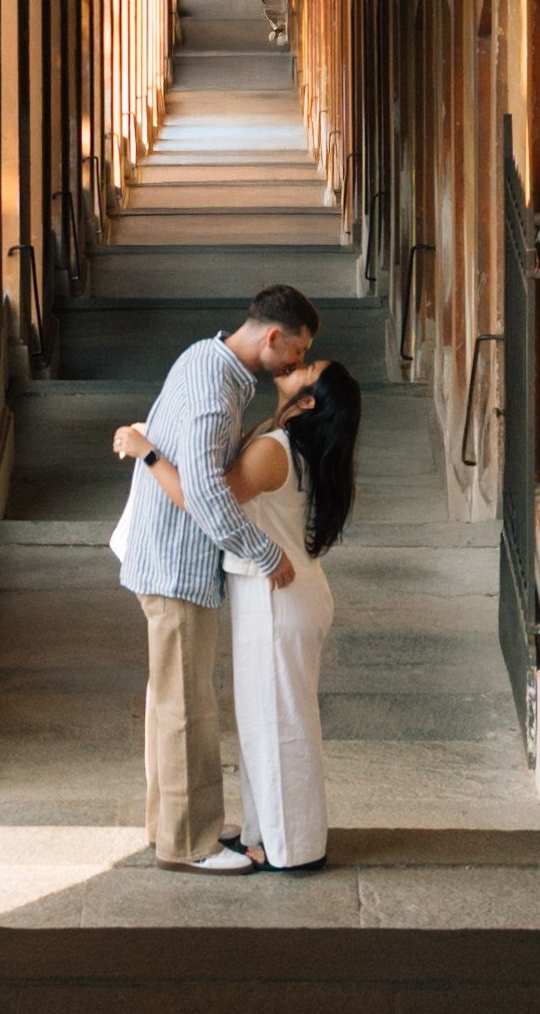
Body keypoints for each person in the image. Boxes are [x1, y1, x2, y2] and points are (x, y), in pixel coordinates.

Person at [116, 355, 363, 872]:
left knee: (278, 727)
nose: (293, 364)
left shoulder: (275, 448)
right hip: (278, 594)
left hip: (278, 594)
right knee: (268, 724)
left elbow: (204, 500)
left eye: (305, 368)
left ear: (309, 402)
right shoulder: (277, 437)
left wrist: (149, 453)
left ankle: (290, 850)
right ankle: (270, 836)